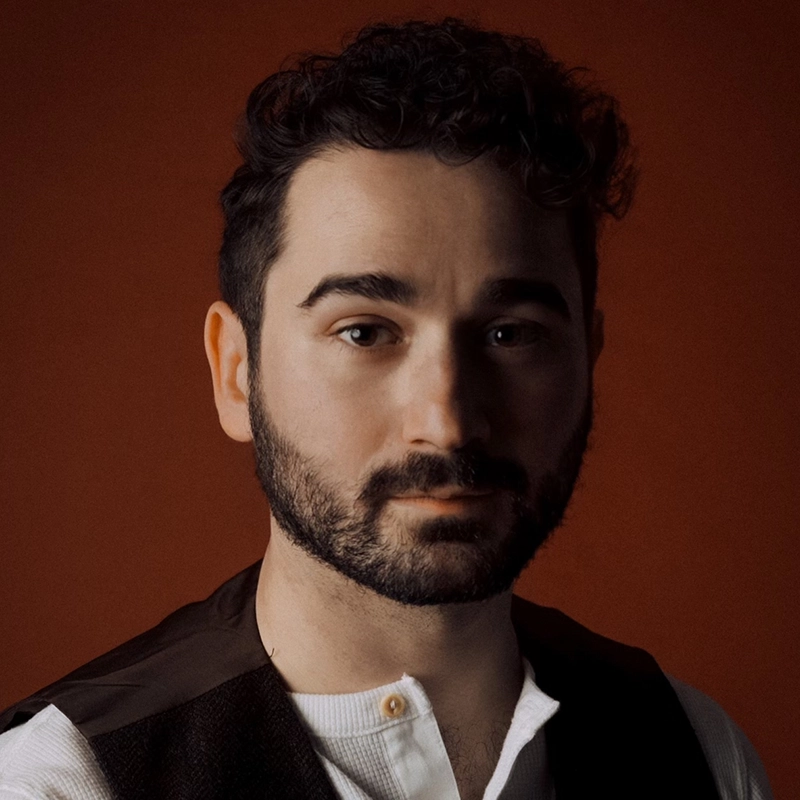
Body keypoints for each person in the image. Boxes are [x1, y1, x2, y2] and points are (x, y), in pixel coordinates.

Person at [0, 17, 773, 800]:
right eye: (364, 332)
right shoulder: (57, 784)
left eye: (510, 334)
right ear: (236, 372)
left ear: (588, 359)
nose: (448, 422)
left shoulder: (700, 754)